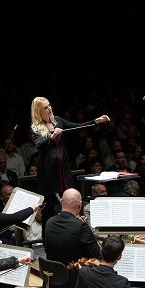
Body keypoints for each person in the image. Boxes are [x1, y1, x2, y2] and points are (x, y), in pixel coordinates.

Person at [30, 96, 110, 238]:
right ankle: (47, 242)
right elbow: (39, 144)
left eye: (50, 105)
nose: (50, 109)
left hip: (63, 172)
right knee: (50, 211)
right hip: (49, 175)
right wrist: (52, 136)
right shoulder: (35, 128)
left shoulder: (58, 120)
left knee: (70, 206)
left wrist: (95, 121)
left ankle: (71, 237)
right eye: (45, 107)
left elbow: (77, 126)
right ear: (38, 111)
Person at [44, 188, 101, 288]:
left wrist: (79, 223)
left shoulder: (49, 222)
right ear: (80, 205)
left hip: (52, 278)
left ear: (61, 202)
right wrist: (85, 227)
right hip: (75, 282)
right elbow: (96, 255)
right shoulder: (81, 227)